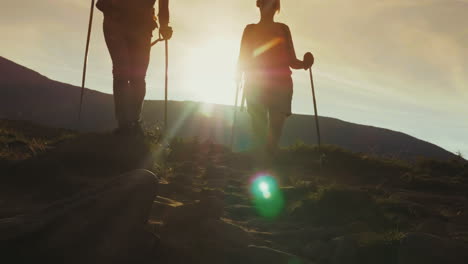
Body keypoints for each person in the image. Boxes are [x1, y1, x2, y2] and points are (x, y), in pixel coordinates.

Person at [237, 0, 314, 161]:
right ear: (259, 5)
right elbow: (242, 58)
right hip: (263, 84)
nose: (268, 7)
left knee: (272, 129)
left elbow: (291, 60)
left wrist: (305, 64)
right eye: (266, 3)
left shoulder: (282, 29)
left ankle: (265, 165)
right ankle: (265, 165)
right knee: (263, 129)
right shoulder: (253, 30)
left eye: (272, 4)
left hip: (270, 84)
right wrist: (239, 74)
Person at [96, 0, 173, 134]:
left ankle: (128, 123)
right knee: (130, 74)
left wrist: (164, 25)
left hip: (121, 20)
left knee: (128, 73)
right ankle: (129, 123)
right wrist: (164, 25)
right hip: (131, 22)